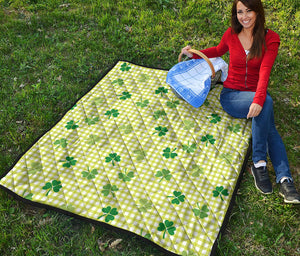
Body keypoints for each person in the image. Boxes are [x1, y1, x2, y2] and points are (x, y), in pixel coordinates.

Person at [181, 0, 300, 204]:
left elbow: (265, 71)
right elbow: (218, 50)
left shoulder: (271, 39)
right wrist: (194, 55)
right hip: (232, 96)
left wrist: (258, 99)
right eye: (240, 12)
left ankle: (281, 177)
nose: (244, 16)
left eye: (249, 11)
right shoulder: (231, 34)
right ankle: (265, 166)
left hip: (254, 93)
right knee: (267, 107)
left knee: (267, 116)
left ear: (258, 12)